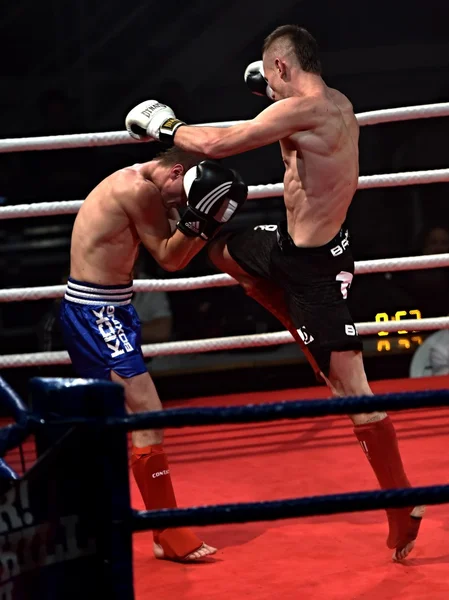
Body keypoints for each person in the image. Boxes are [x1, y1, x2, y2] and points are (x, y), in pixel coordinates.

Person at [125, 25, 424, 561]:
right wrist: (268, 90)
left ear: (282, 68)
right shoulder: (333, 99)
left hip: (314, 272)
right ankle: (288, 317)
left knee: (351, 392)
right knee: (220, 248)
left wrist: (163, 123)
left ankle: (401, 502)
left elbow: (215, 144)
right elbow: (283, 120)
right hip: (287, 249)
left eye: (271, 76)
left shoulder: (307, 109)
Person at [59, 147, 247, 562]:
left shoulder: (146, 185)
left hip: (110, 309)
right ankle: (167, 528)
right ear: (175, 170)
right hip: (97, 313)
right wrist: (205, 218)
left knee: (107, 422)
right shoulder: (140, 190)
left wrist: (202, 217)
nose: (177, 204)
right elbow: (170, 257)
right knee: (148, 411)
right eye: (180, 195)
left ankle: (96, 523)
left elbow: (174, 245)